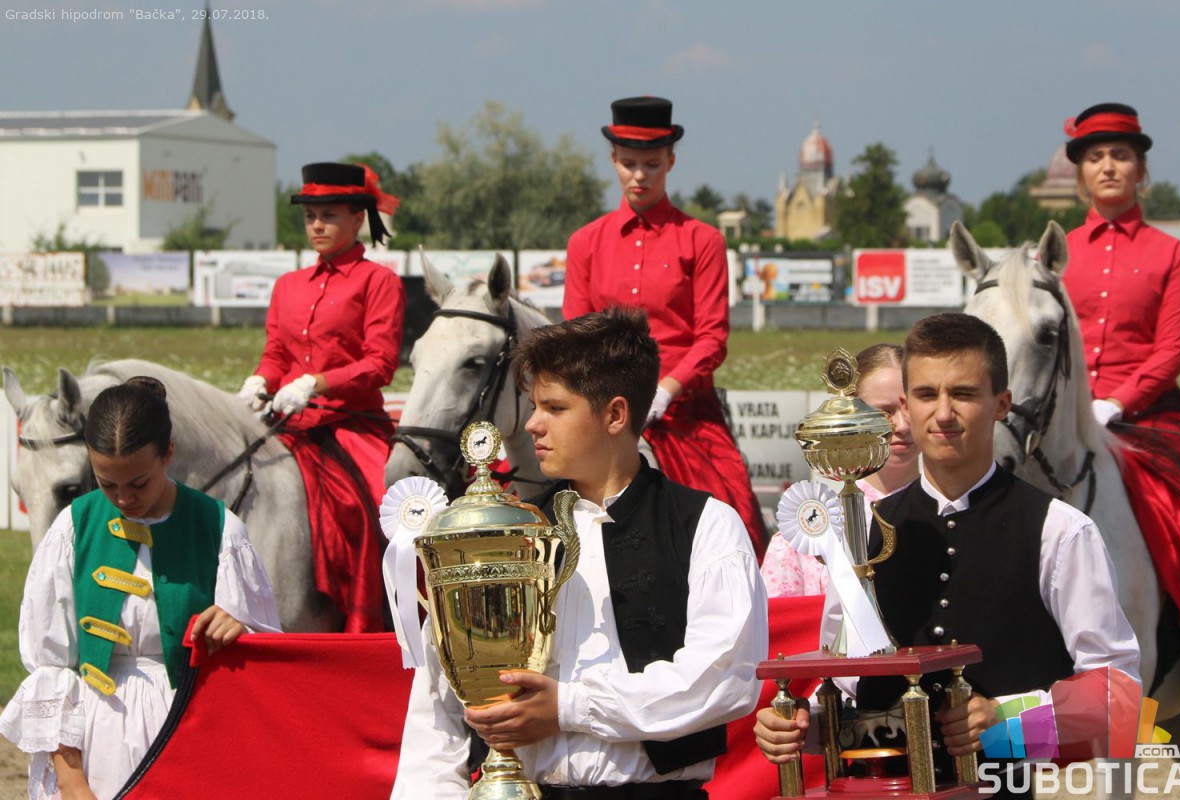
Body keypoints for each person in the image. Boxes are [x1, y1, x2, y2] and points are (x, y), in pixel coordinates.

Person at [395, 307, 768, 799]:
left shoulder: (704, 525)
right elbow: (438, 701)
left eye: (554, 407)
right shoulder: (509, 532)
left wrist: (568, 708)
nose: (533, 424)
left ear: (615, 414)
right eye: (533, 406)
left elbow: (721, 680)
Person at [753, 313, 1139, 788]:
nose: (943, 414)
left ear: (1001, 404)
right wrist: (801, 725)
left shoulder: (1060, 531)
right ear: (905, 404)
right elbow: (852, 686)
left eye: (963, 394)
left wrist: (1010, 723)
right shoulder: (859, 533)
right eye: (926, 394)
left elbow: (1119, 695)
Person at [0, 377, 281, 800]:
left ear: (168, 453)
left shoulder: (220, 530)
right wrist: (73, 784)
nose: (123, 499)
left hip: (192, 734)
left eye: (138, 483)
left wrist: (240, 629)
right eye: (107, 484)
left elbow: (264, 659)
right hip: (95, 741)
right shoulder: (72, 530)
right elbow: (51, 667)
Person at [562, 96, 769, 560]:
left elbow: (712, 338)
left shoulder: (703, 241)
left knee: (734, 512)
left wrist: (667, 390)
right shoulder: (585, 243)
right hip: (605, 417)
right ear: (613, 160)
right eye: (629, 163)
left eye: (652, 164)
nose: (640, 175)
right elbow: (576, 337)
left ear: (671, 161)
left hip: (684, 416)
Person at [237, 161, 405, 632]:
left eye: (329, 215)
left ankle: (381, 617)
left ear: (357, 219)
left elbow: (380, 363)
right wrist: (260, 381)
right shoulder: (287, 285)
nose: (316, 225)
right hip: (288, 423)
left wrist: (317, 382)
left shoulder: (379, 281)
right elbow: (275, 353)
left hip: (352, 423)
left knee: (378, 509)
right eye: (310, 215)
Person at [1060, 103, 1180, 636]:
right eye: (1096, 156)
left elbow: (1173, 349)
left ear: (1141, 169)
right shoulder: (1058, 254)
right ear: (1082, 173)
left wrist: (1117, 401)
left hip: (1151, 421)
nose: (1108, 166)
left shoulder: (1174, 255)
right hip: (1070, 421)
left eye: (1120, 155)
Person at [760, 343, 918, 597]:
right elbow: (781, 618)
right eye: (884, 412)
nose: (902, 425)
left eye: (910, 408)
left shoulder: (949, 513)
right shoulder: (806, 533)